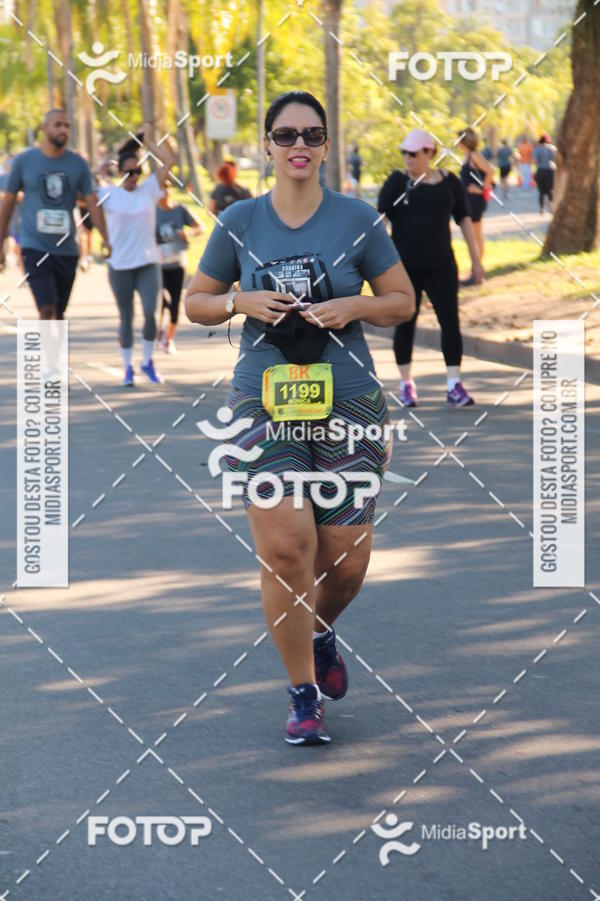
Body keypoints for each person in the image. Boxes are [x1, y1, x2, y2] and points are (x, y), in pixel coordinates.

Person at [185, 90, 414, 745]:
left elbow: (401, 299)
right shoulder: (239, 222)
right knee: (288, 551)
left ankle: (318, 631)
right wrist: (238, 299)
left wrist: (355, 309)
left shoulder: (357, 220)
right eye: (286, 135)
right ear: (266, 145)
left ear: (325, 144)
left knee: (343, 561)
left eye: (311, 134)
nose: (299, 145)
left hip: (348, 401)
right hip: (264, 401)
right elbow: (195, 303)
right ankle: (302, 692)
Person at [378, 129, 483, 409]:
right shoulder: (397, 182)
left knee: (450, 323)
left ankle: (454, 385)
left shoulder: (449, 182)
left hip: (442, 266)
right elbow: (380, 221)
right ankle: (406, 385)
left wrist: (476, 260)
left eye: (413, 153)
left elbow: (464, 221)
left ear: (429, 153)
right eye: (404, 153)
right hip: (404, 269)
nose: (407, 158)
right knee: (405, 325)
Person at [0, 109, 110, 319]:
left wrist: (105, 238)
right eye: (58, 125)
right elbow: (8, 202)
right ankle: (45, 353)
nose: (63, 130)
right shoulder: (24, 161)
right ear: (44, 128)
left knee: (59, 312)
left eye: (67, 126)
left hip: (67, 249)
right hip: (35, 247)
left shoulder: (78, 164)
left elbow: (92, 202)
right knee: (46, 308)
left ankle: (52, 352)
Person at [101, 124, 175, 386]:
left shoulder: (149, 189)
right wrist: (102, 167)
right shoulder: (108, 194)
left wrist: (147, 140)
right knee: (126, 317)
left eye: (137, 171)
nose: (133, 176)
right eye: (128, 172)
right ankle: (127, 367)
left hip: (147, 261)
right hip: (119, 264)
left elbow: (169, 161)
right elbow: (86, 188)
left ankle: (147, 362)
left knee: (151, 314)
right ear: (119, 172)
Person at [155, 180, 203, 354]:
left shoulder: (179, 210)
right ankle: (158, 331)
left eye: (167, 187)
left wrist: (187, 233)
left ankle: (169, 340)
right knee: (160, 301)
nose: (165, 191)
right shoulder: (151, 213)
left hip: (177, 263)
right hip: (156, 265)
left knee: (174, 303)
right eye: (161, 188)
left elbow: (200, 227)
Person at [457, 127, 494, 265]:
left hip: (475, 200)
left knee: (475, 234)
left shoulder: (474, 155)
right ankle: (476, 264)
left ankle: (478, 266)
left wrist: (481, 189)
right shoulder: (466, 156)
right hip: (468, 199)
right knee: (470, 234)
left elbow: (491, 171)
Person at [533, 134, 555, 214]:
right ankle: (551, 206)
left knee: (541, 191)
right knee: (550, 190)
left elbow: (534, 161)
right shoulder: (552, 148)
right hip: (550, 170)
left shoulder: (537, 149)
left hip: (541, 170)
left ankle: (542, 208)